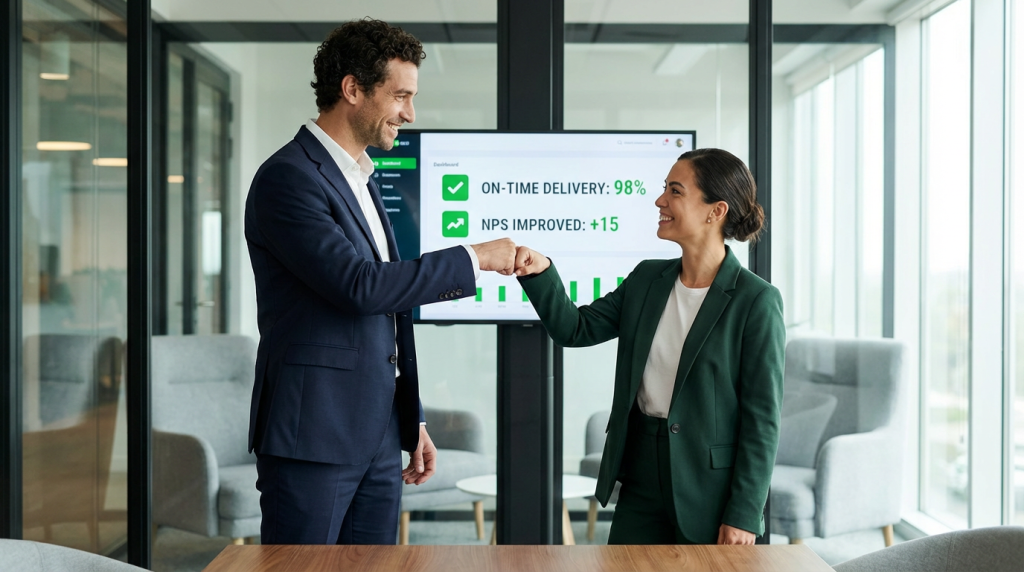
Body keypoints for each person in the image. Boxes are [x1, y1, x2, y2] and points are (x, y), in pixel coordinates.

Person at [244, 19, 516, 545]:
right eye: (400, 96)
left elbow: (385, 319)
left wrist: (408, 418)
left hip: (375, 435)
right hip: (314, 438)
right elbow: (360, 285)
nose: (410, 114)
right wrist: (472, 257)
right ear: (352, 89)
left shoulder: (363, 177)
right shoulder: (288, 178)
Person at [513, 148, 784, 545]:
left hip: (708, 488)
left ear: (716, 211)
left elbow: (763, 419)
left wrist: (744, 513)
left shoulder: (756, 300)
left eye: (675, 191)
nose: (660, 201)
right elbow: (576, 329)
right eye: (664, 190)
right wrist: (541, 271)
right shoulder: (647, 279)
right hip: (640, 473)